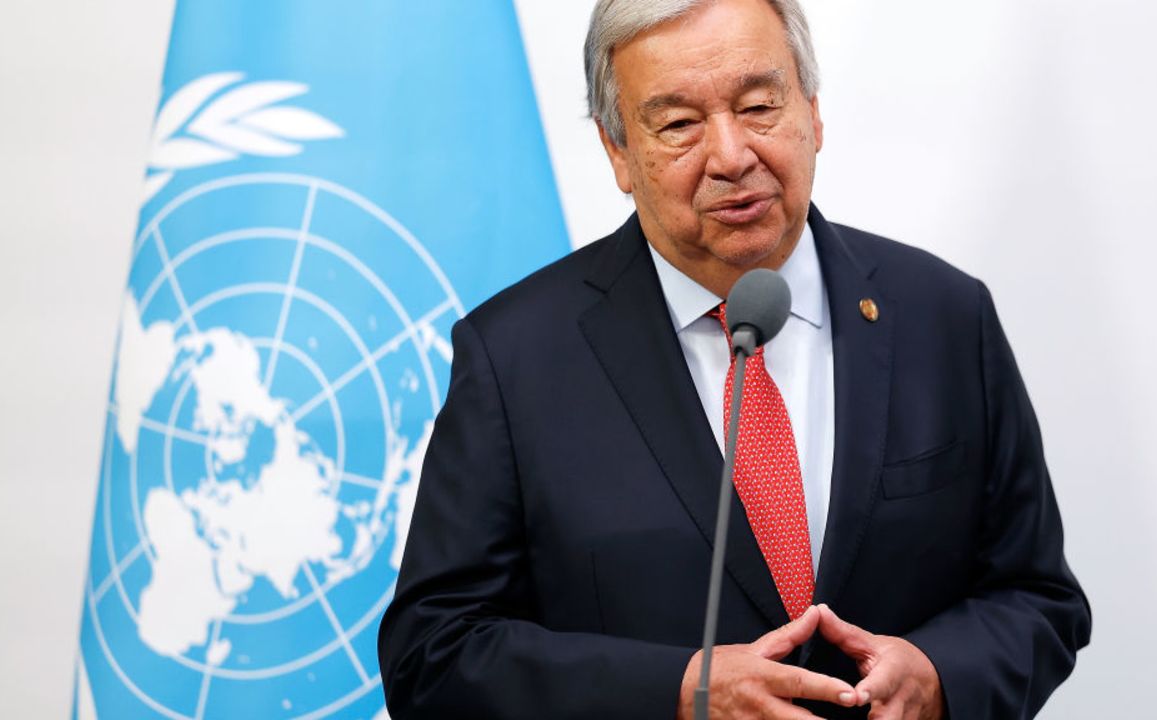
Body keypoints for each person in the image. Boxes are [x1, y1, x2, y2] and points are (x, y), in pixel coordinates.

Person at [377, 0, 1091, 717]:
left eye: (757, 106)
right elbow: (433, 653)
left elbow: (1036, 597)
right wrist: (676, 694)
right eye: (679, 124)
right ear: (618, 152)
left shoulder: (943, 316)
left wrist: (939, 674)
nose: (731, 155)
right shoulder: (515, 359)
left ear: (813, 113)